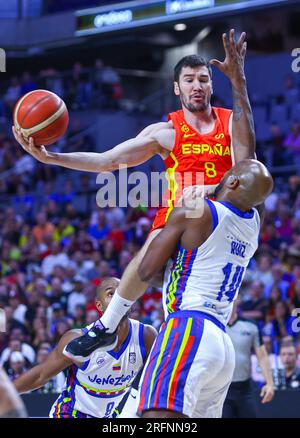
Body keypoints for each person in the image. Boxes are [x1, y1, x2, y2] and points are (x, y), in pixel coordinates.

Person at [13, 29, 255, 361]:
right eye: (189, 80)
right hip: (180, 221)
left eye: (203, 79)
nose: (197, 85)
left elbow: (247, 163)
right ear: (176, 88)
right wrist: (52, 158)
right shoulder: (165, 133)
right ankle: (107, 327)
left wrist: (238, 81)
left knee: (247, 186)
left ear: (212, 86)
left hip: (223, 213)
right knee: (154, 248)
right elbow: (107, 161)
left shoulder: (231, 122)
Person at [137, 159, 273, 418]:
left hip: (189, 327)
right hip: (222, 346)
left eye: (229, 173)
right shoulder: (254, 223)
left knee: (157, 418)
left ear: (232, 181)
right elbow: (257, 194)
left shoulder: (197, 211)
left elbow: (145, 272)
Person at [13, 277, 157, 418]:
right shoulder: (78, 338)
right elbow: (40, 375)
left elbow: (156, 380)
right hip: (70, 413)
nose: (118, 298)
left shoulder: (146, 336)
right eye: (111, 293)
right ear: (99, 305)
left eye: (121, 292)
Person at [222, 299, 274, 418]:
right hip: (220, 390)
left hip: (244, 390)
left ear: (238, 299)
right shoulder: (215, 326)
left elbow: (262, 356)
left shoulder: (251, 326)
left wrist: (270, 383)